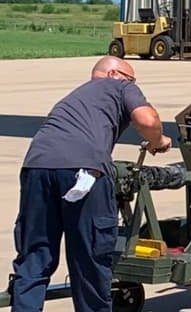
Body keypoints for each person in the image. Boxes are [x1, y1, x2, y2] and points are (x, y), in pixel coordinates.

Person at [11, 56, 173, 312]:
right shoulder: (119, 86)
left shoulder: (75, 97)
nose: (133, 84)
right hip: (84, 173)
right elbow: (148, 121)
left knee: (35, 255)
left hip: (36, 168)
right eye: (132, 79)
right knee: (89, 257)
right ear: (113, 74)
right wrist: (159, 140)